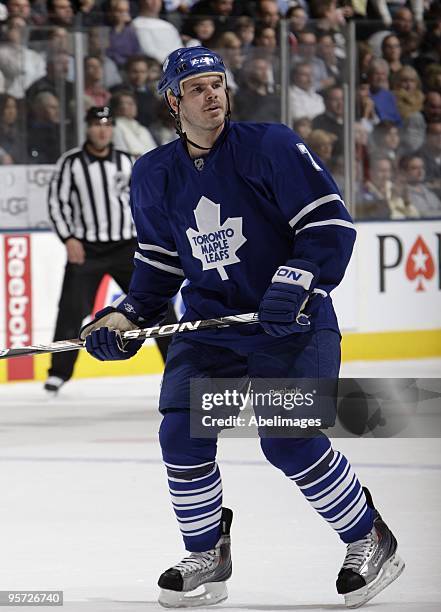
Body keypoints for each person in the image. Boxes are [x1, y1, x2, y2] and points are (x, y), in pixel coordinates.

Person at [79, 47, 404, 608]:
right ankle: (207, 552)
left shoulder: (270, 145)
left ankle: (370, 538)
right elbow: (159, 265)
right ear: (173, 101)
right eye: (198, 88)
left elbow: (328, 224)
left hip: (292, 324)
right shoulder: (154, 173)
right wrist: (126, 315)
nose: (213, 96)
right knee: (181, 435)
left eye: (218, 85)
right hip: (210, 329)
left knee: (287, 440)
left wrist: (299, 277)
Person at [45, 106, 175, 395]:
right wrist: (68, 239)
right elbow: (57, 203)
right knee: (71, 311)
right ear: (87, 128)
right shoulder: (71, 163)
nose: (102, 129)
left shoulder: (128, 162)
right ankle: (58, 373)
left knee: (158, 305)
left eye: (107, 124)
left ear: (113, 128)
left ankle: (178, 364)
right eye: (96, 124)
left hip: (126, 247)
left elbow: (146, 200)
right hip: (87, 249)